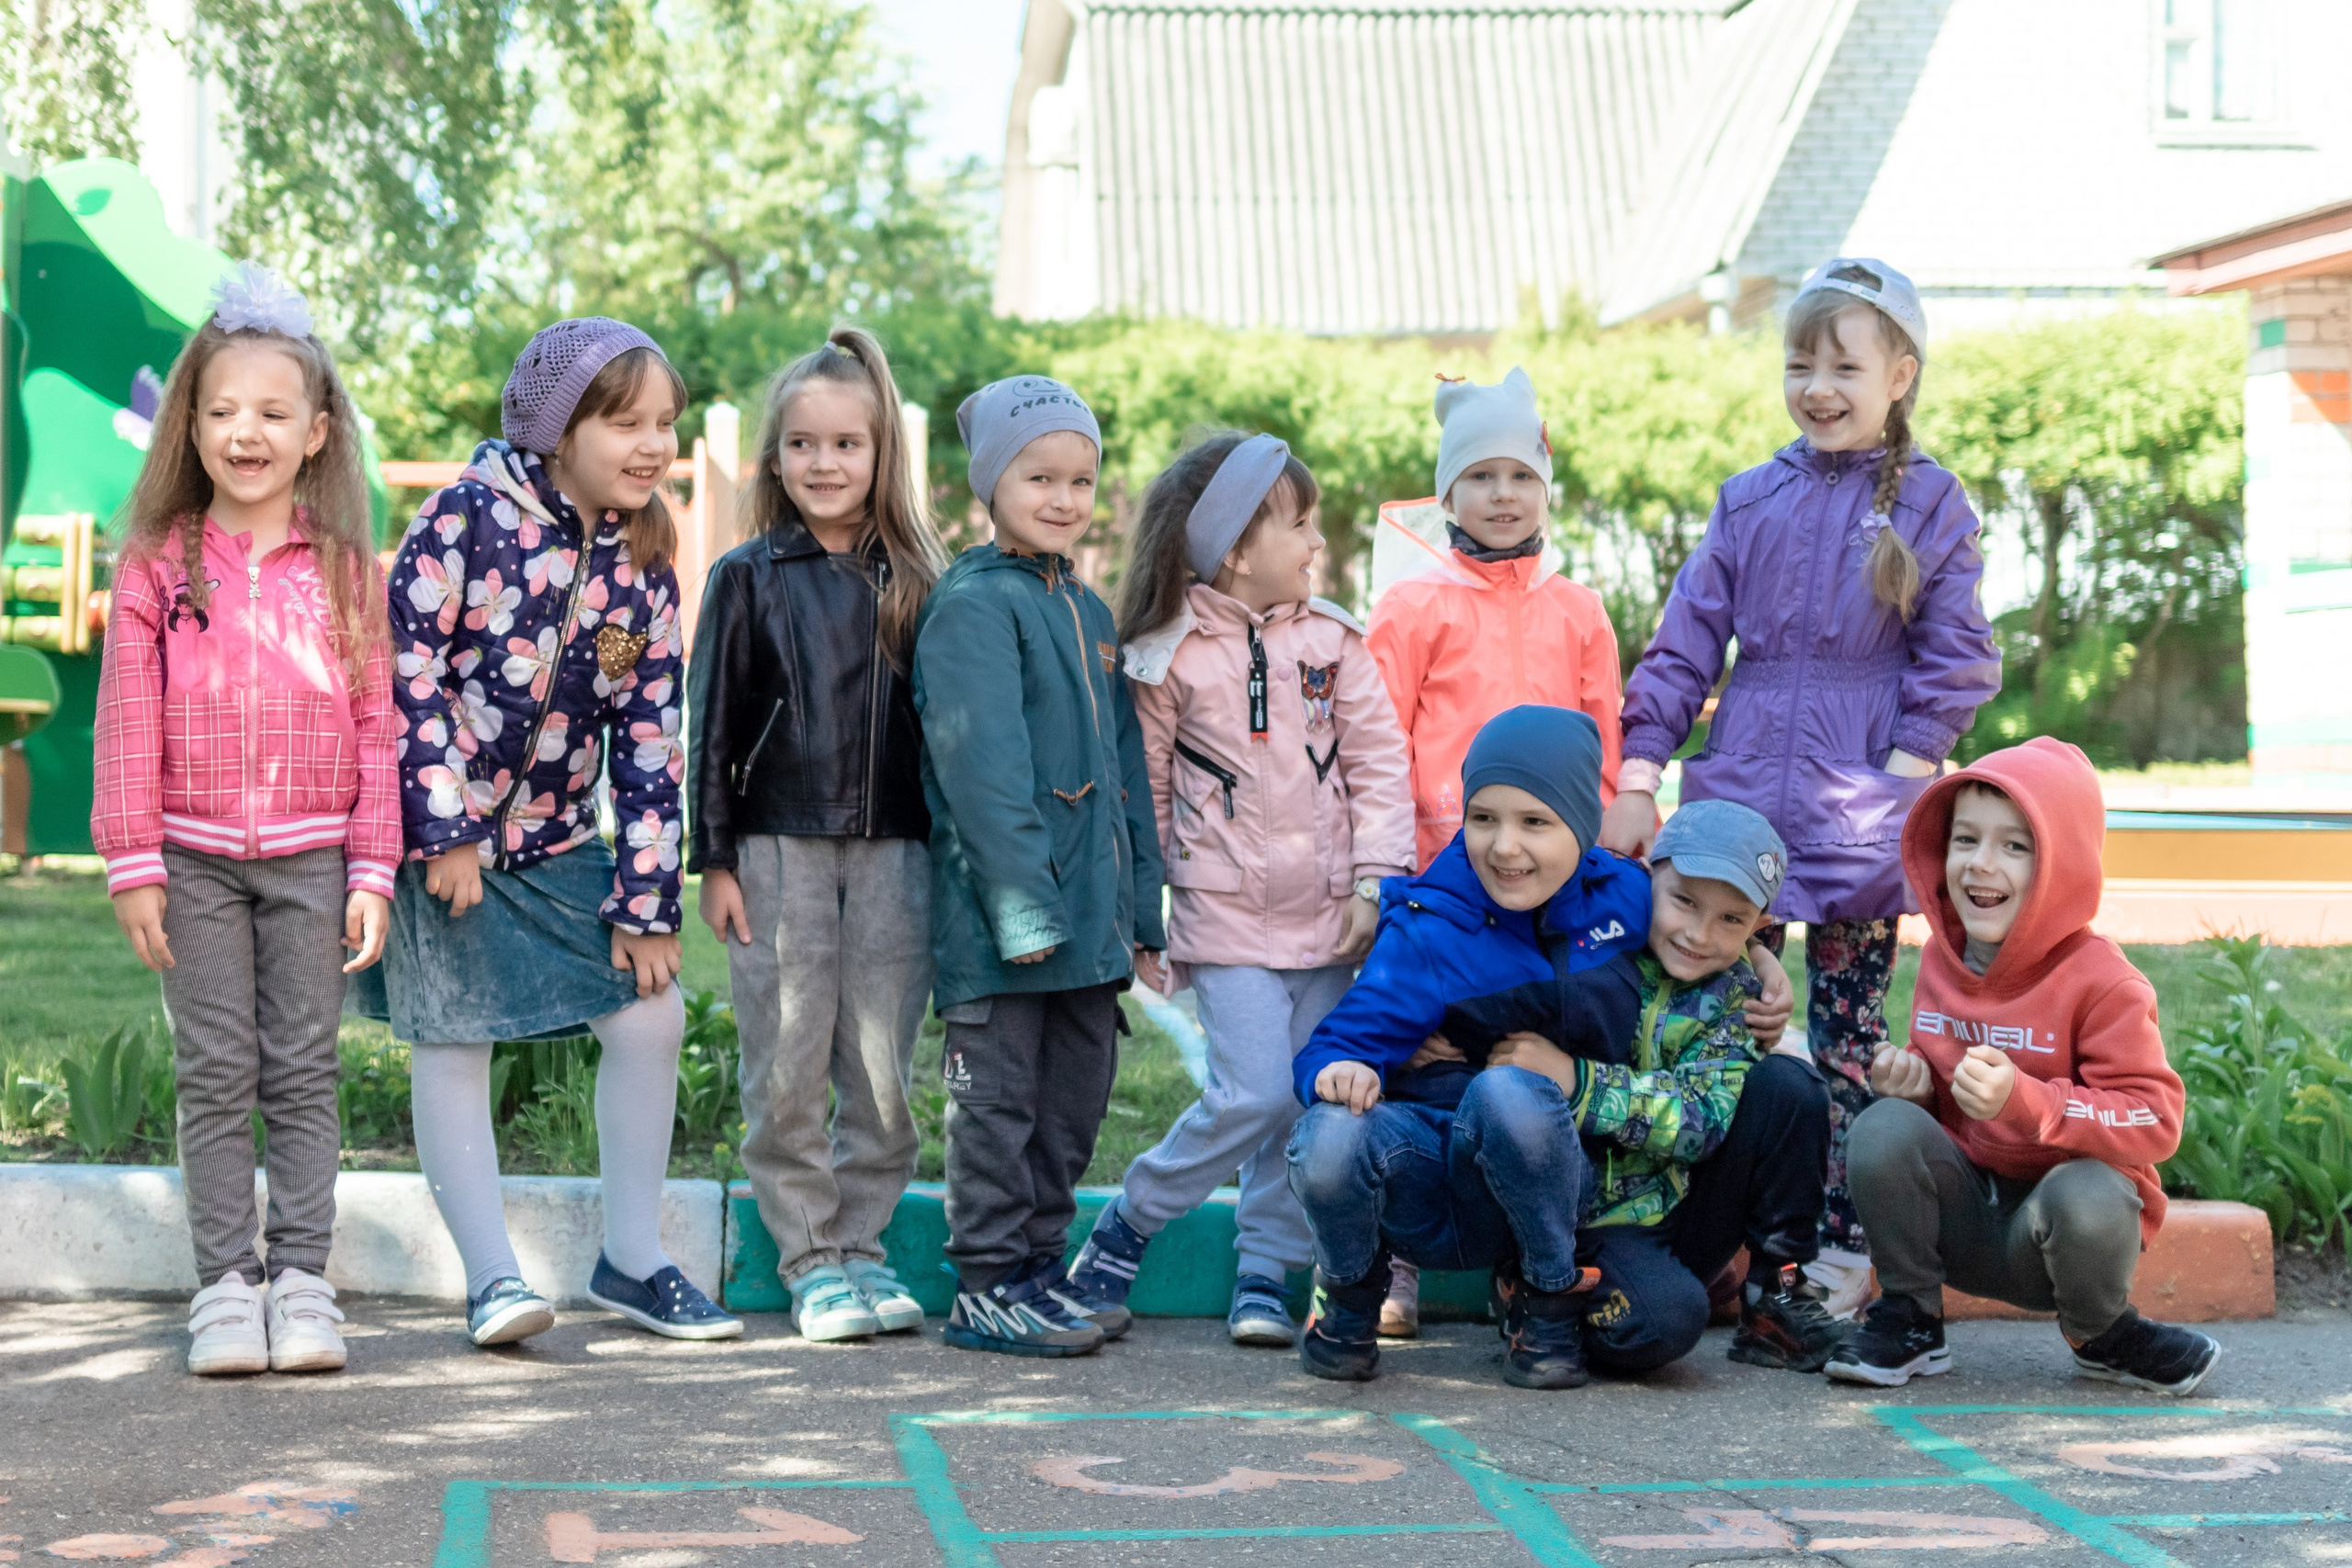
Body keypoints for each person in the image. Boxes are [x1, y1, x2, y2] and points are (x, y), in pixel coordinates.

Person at [1600, 258, 2002, 1314]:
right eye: (1799, 363)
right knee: (1722, 1025)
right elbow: (1684, 646)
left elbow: (1955, 652)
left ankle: (1835, 1243)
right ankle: (1724, 1239)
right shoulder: (1750, 500)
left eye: (1844, 365)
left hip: (1863, 805)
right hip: (1740, 805)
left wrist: (1903, 778)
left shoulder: (1930, 504)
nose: (1818, 386)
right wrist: (1641, 771)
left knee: (1849, 1036)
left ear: (1899, 374)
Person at [363, 317, 740, 1346]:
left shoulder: (644, 563)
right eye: (626, 422)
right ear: (555, 430)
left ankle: (633, 1258)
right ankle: (491, 1278)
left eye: (665, 421)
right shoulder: (465, 520)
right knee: (454, 1039)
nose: (653, 443)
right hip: (446, 844)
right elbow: (403, 674)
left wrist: (648, 900)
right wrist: (442, 827)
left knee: (651, 1016)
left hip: (560, 841)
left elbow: (652, 735)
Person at [93, 263, 394, 1377]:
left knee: (304, 1071)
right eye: (221, 411)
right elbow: (126, 717)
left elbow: (377, 733)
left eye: (272, 413)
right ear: (191, 423)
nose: (245, 432)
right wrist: (133, 859)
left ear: (316, 432)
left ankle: (304, 1285)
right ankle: (226, 1286)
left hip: (315, 855)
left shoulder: (350, 576)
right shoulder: (156, 567)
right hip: (192, 855)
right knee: (216, 1071)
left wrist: (372, 869)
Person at [1057, 431, 1414, 1348]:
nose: (1316, 544)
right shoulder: (1167, 659)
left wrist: (1375, 886)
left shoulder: (1335, 642)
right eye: (1300, 524)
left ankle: (1264, 1270)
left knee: (1300, 1102)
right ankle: (1129, 1225)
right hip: (1223, 921)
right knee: (1251, 1093)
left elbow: (1378, 765)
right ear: (1235, 548)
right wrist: (1147, 916)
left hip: (1332, 922)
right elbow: (1146, 798)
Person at [688, 329, 947, 1344]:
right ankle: (808, 1258)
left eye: (847, 444)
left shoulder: (922, 579)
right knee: (788, 1060)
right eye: (803, 445)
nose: (825, 464)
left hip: (898, 852)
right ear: (775, 457)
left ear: (882, 455)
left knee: (882, 1066)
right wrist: (713, 859)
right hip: (776, 851)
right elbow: (708, 727)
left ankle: (865, 1249)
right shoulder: (747, 578)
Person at [1826, 739, 2219, 1395]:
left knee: (2090, 1191)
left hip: (2054, 1242)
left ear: (2061, 863)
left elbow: (2156, 1119)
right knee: (1882, 1125)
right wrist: (1915, 1086)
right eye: (1965, 839)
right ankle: (1911, 1316)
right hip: (1965, 1223)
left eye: (2016, 846)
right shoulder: (1943, 960)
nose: (1982, 865)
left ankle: (2103, 1332)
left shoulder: (2104, 982)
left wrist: (2028, 1101)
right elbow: (1942, 1101)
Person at [1363, 367, 1629, 1334]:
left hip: (1548, 883)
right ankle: (1389, 1257)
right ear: (1447, 494)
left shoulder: (1579, 611)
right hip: (1442, 875)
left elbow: (1601, 745)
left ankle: (1533, 1259)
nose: (1503, 494)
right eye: (1480, 476)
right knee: (1411, 1059)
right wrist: (1387, 874)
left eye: (1521, 473)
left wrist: (1599, 874)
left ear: (1546, 487)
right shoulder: (1411, 608)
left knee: (1525, 1064)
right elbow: (1377, 743)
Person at [1282, 705, 1650, 1386]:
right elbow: (1328, 1046)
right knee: (1329, 1133)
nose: (1504, 846)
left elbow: (1701, 937)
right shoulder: (1432, 926)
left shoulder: (1627, 898)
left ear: (1583, 821)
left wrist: (1761, 969)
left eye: (1534, 821)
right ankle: (1351, 1298)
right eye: (1483, 818)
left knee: (1512, 1092)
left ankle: (1546, 1302)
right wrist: (1340, 1071)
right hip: (1426, 1174)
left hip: (1546, 1187)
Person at [914, 374, 1167, 1358]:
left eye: (1080, 479)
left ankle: (1037, 1271)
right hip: (1004, 929)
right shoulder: (975, 607)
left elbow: (1123, 779)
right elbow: (982, 774)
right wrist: (1022, 911)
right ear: (993, 483)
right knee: (999, 1107)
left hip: (1090, 925)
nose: (1063, 497)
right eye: (1039, 477)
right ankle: (985, 1283)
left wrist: (1138, 909)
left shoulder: (1091, 613)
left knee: (1069, 1109)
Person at [1426, 801, 1849, 1382]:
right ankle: (1537, 1293)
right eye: (1684, 903)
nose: (1700, 935)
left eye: (1732, 920)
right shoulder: (1594, 943)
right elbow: (1488, 952)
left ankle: (1776, 1299)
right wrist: (1421, 1029)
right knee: (1666, 1325)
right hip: (1577, 1219)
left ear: (1760, 925)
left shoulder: (1737, 997)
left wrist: (1578, 1082)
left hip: (1678, 1208)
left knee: (1790, 1085)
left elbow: (1699, 1122)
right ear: (1647, 878)